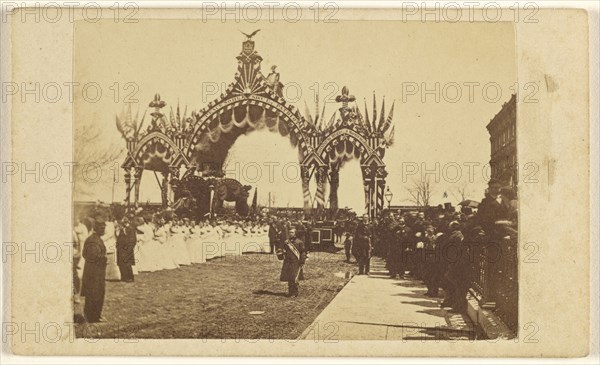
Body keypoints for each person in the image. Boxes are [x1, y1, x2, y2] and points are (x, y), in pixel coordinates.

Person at [81, 216, 108, 323]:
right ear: (97, 228)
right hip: (94, 273)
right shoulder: (93, 240)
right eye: (102, 228)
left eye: (104, 228)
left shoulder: (95, 239)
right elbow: (91, 256)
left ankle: (93, 316)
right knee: (95, 294)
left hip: (94, 272)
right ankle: (93, 317)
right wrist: (103, 258)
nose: (104, 230)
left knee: (95, 293)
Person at [278, 225, 307, 297]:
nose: (291, 234)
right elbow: (284, 251)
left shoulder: (299, 242)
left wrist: (302, 261)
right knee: (289, 277)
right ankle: (290, 291)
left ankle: (295, 292)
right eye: (290, 232)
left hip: (295, 262)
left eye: (292, 232)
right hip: (287, 262)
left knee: (294, 277)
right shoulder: (286, 242)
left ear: (295, 233)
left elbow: (303, 252)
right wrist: (280, 253)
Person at [116, 215, 137, 282]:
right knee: (121, 263)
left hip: (127, 249)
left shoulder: (131, 229)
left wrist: (130, 248)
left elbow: (133, 239)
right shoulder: (121, 229)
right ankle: (124, 277)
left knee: (127, 264)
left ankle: (129, 277)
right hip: (120, 248)